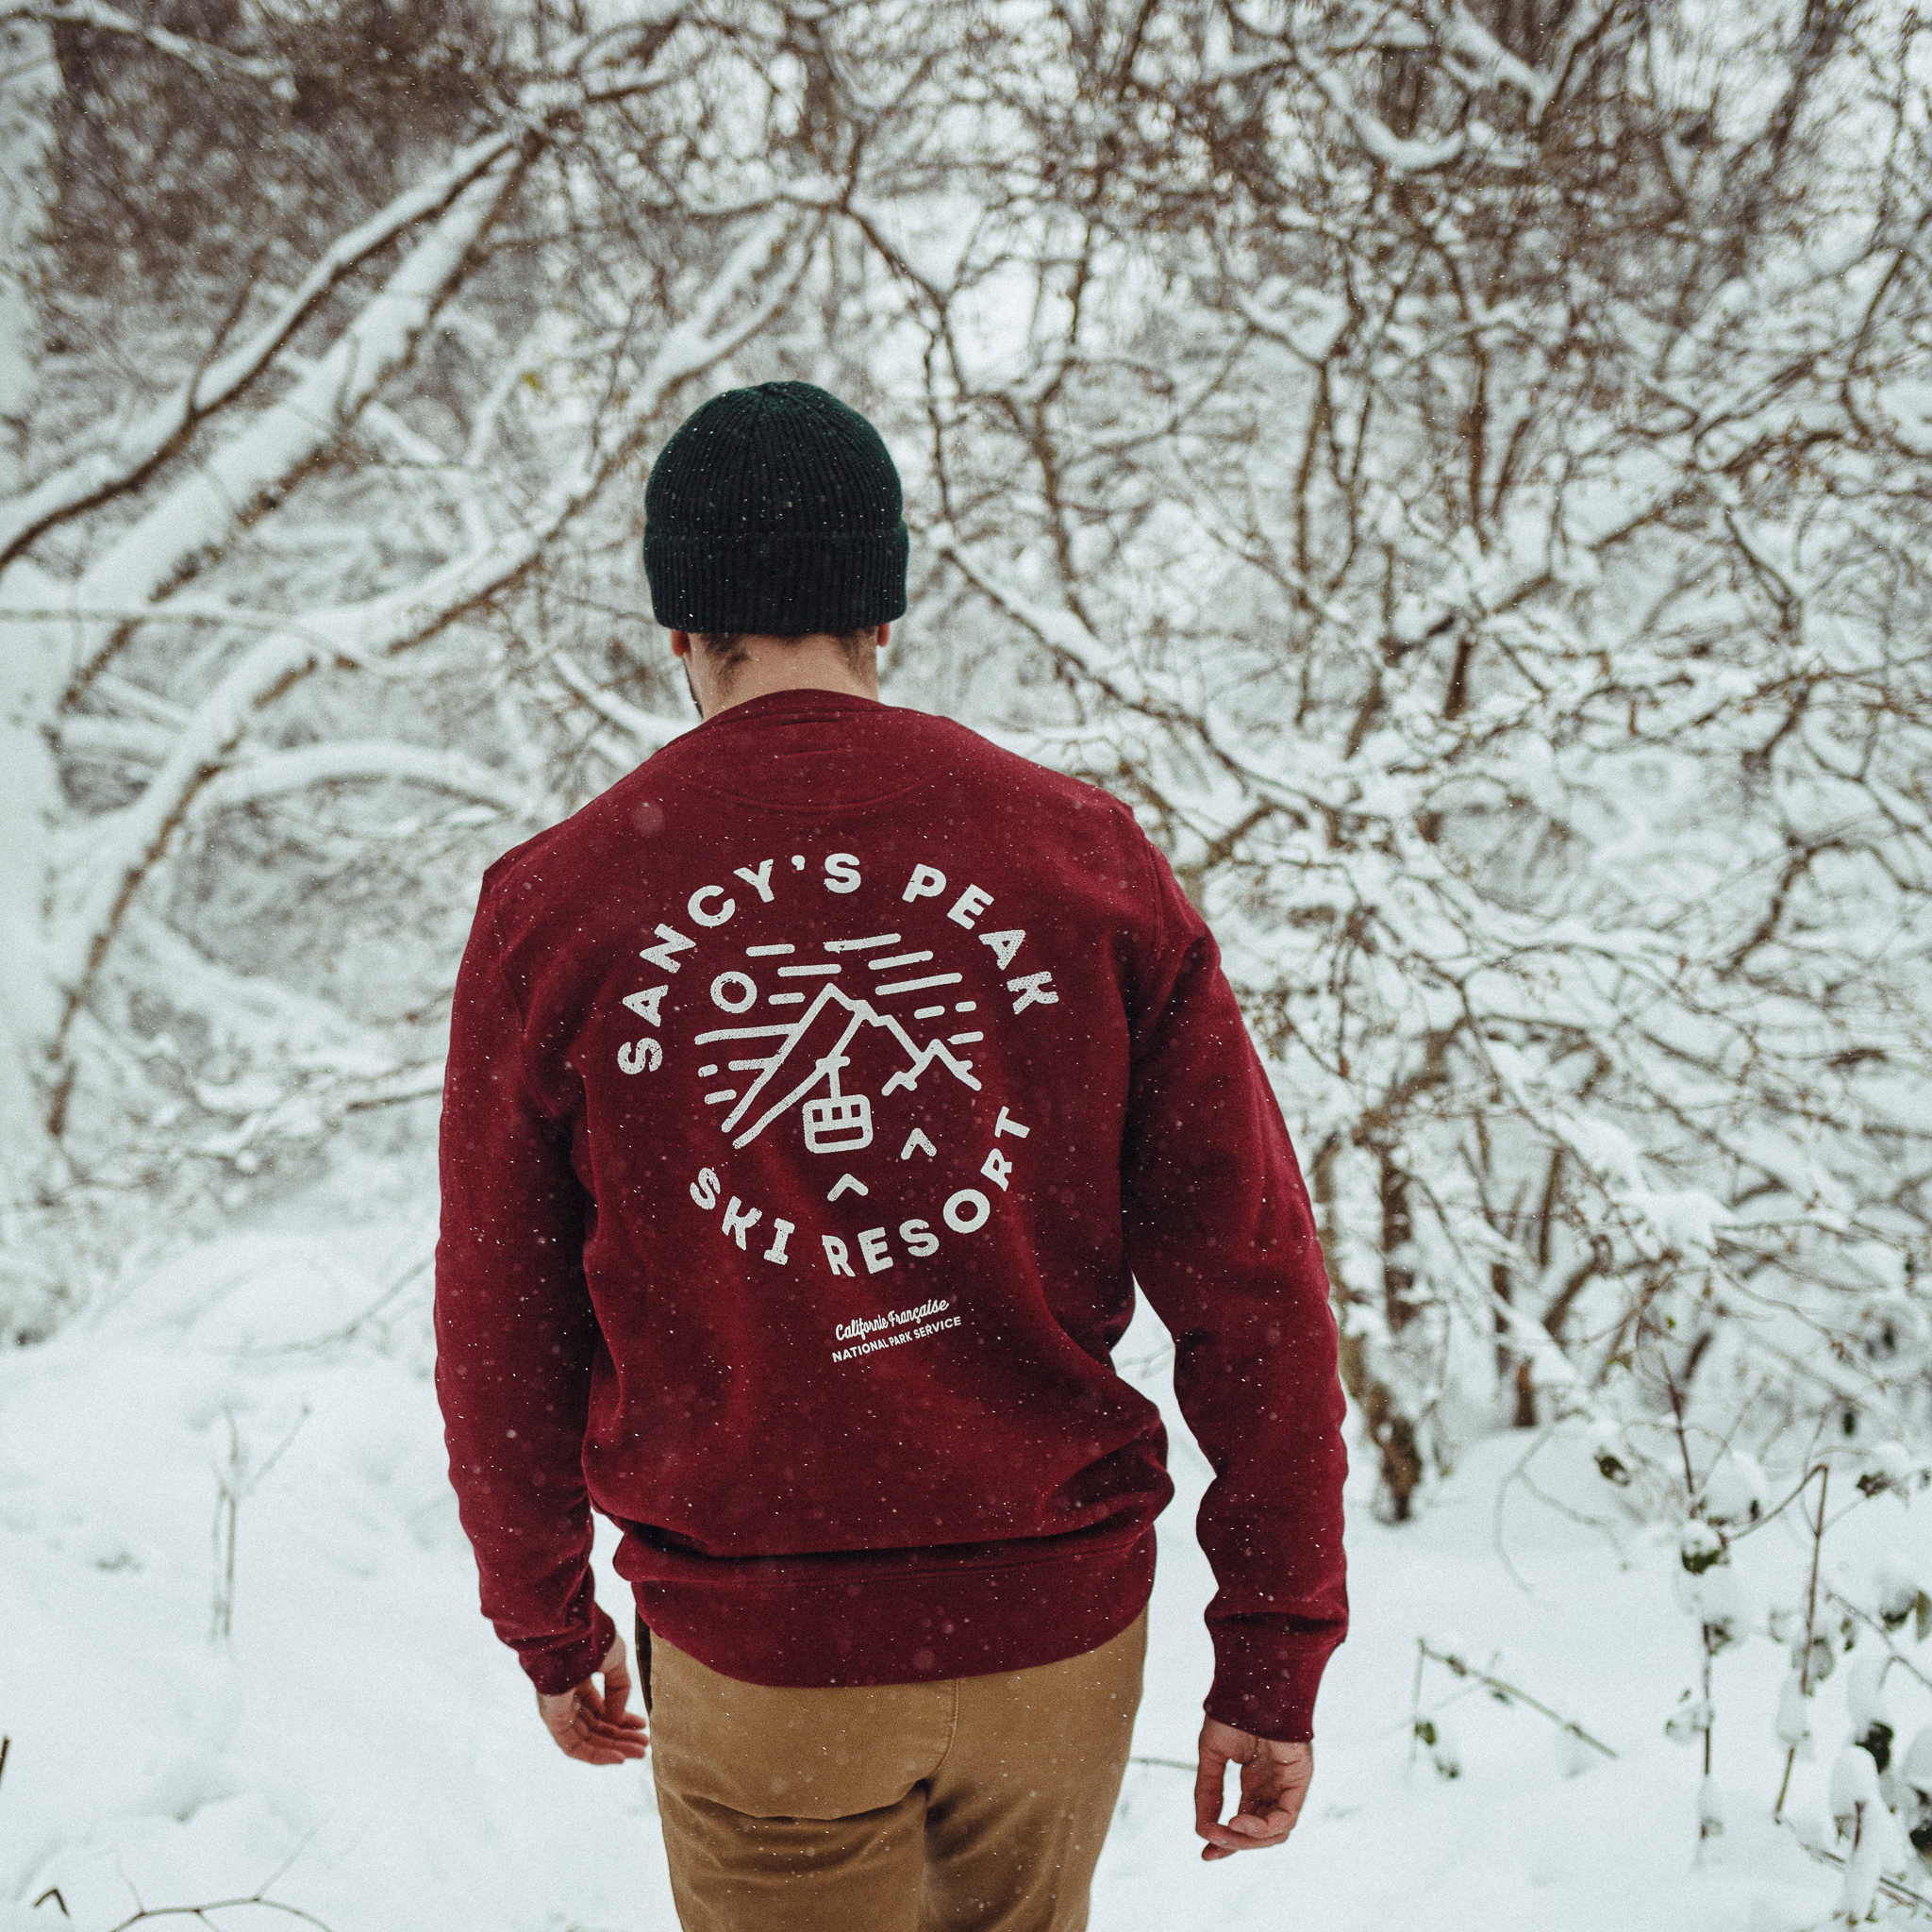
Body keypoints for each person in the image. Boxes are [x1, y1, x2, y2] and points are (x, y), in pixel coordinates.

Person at [433, 380, 1349, 1932]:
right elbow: (1253, 1279)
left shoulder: (561, 901)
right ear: (883, 606)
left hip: (761, 1656)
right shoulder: (1080, 858)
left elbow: (501, 1315)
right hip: (1054, 1641)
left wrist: (545, 1610)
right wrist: (1273, 1642)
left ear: (681, 624)